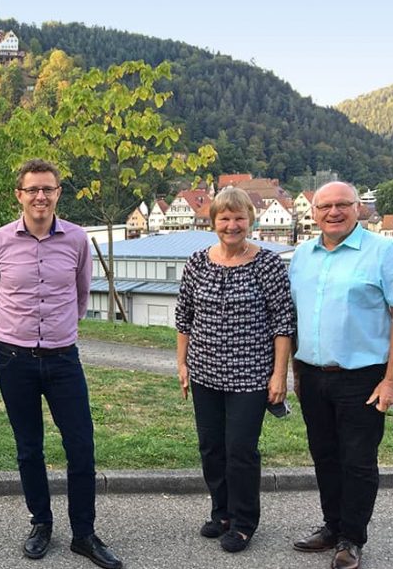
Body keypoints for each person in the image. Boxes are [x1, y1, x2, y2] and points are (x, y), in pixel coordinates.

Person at [0, 159, 123, 569]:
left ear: (59, 193)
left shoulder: (77, 239)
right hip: (13, 359)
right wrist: (14, 329)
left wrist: (57, 331)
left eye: (48, 189)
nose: (41, 196)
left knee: (81, 446)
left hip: (63, 360)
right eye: (33, 189)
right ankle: (41, 523)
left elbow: (80, 295)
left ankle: (84, 534)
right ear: (19, 195)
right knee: (29, 448)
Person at [289, 181, 393, 569]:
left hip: (363, 377)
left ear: (358, 208)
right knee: (324, 456)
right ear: (313, 213)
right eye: (324, 206)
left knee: (358, 460)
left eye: (342, 205)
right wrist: (297, 372)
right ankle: (331, 526)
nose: (333, 212)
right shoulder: (302, 256)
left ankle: (351, 538)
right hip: (313, 376)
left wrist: (392, 380)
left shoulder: (384, 252)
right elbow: (295, 318)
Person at [174, 186, 296, 553]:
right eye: (224, 218)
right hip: (205, 373)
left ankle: (244, 522)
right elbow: (184, 318)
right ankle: (221, 512)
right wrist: (182, 364)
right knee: (211, 447)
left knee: (240, 450)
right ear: (213, 221)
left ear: (250, 221)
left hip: (251, 375)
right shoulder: (196, 262)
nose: (232, 225)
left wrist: (279, 375)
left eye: (239, 217)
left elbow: (283, 323)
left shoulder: (269, 264)